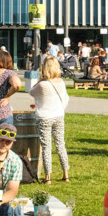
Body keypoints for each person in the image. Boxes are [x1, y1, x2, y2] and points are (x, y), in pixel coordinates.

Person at [31, 56, 71, 184]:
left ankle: (47, 176)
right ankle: (66, 174)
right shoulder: (61, 82)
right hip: (58, 115)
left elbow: (31, 92)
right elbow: (66, 98)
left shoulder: (42, 84)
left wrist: (39, 79)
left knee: (46, 146)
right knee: (60, 145)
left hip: (45, 117)